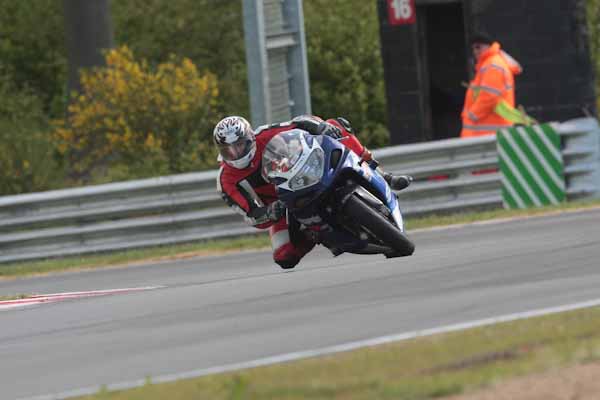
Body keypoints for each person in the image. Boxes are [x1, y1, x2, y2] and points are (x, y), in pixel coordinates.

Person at [214, 115, 412, 269]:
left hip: (304, 172)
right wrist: (270, 212)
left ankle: (381, 173)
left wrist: (321, 127)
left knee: (335, 124)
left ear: (250, 138)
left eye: (239, 145)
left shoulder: (265, 134)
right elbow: (251, 215)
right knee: (284, 257)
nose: (235, 153)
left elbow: (300, 122)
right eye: (228, 150)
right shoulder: (225, 180)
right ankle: (314, 234)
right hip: (283, 204)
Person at [460, 32, 527, 138]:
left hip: (488, 134)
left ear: (489, 46)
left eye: (478, 47)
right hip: (487, 133)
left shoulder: (493, 66)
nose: (475, 51)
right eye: (473, 48)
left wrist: (472, 115)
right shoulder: (489, 65)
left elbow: (489, 95)